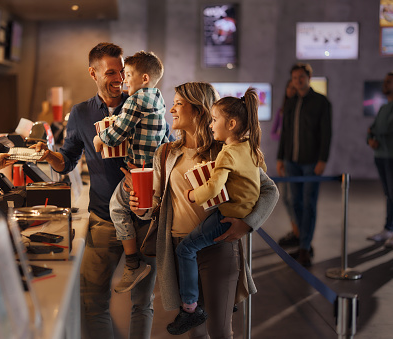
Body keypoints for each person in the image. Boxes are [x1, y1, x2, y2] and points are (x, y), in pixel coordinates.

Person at [130, 82, 279, 338]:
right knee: (194, 331)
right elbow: (156, 203)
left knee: (220, 331)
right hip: (178, 248)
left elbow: (270, 190)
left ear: (198, 109)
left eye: (178, 102)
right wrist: (140, 207)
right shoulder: (166, 152)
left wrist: (248, 223)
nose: (172, 108)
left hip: (218, 246)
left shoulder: (227, 150)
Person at [34, 42, 157, 339]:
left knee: (142, 304)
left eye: (122, 72)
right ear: (93, 73)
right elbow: (68, 160)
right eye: (111, 72)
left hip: (145, 220)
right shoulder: (80, 114)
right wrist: (51, 156)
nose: (119, 78)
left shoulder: (142, 104)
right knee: (92, 301)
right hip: (103, 219)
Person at [93, 50, 168, 293]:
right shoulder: (158, 98)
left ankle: (133, 262)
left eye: (127, 75)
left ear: (144, 78)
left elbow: (116, 135)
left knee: (117, 207)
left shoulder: (135, 100)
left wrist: (99, 138)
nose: (124, 80)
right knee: (140, 209)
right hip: (153, 169)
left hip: (140, 171)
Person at [276, 63, 332, 267]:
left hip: (311, 163)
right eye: (295, 77)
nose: (298, 80)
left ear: (309, 78)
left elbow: (326, 133)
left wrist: (322, 160)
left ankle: (305, 247)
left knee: (309, 204)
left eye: (301, 77)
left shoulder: (321, 102)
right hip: (291, 161)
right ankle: (303, 241)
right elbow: (285, 133)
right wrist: (281, 157)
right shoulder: (290, 103)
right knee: (294, 202)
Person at [271, 80, 300, 247]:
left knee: (295, 199)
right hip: (287, 157)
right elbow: (277, 135)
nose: (292, 89)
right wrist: (281, 157)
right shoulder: (283, 111)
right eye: (289, 86)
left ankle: (299, 234)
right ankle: (296, 231)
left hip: (298, 159)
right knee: (288, 199)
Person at [366, 72, 393, 247]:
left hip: (391, 157)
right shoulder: (384, 108)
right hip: (381, 156)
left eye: (388, 82)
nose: (385, 84)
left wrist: (377, 135)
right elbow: (372, 129)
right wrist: (371, 139)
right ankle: (388, 229)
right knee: (389, 194)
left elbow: (384, 129)